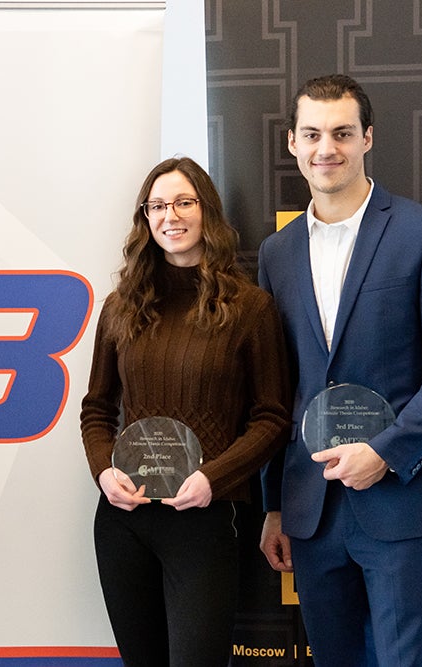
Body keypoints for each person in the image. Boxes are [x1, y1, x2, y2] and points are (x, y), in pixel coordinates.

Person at [257, 74, 422, 666]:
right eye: (311, 134)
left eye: (340, 133)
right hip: (311, 511)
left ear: (367, 138)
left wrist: (386, 450)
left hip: (404, 503)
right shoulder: (276, 254)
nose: (325, 148)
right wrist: (275, 506)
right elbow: (278, 389)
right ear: (292, 143)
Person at [80, 157, 290, 666]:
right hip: (123, 520)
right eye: (156, 206)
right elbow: (97, 410)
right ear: (144, 220)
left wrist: (214, 479)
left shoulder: (250, 308)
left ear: (206, 212)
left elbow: (273, 418)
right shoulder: (120, 307)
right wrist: (105, 472)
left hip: (206, 517)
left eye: (183, 202)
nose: (169, 216)